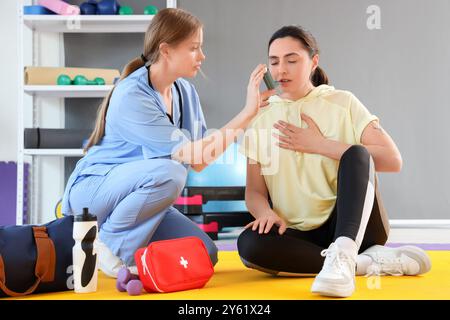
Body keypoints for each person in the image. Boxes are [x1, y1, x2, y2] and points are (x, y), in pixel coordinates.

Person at [61, 8, 272, 278]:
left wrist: (250, 114)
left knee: (204, 254)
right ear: (167, 50)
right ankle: (106, 242)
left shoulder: (185, 92)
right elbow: (186, 155)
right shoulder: (132, 95)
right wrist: (246, 113)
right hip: (93, 194)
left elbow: (199, 161)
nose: (202, 56)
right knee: (171, 172)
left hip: (141, 198)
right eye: (194, 48)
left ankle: (131, 253)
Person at [237, 25, 431, 298]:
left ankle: (346, 249)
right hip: (299, 233)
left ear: (313, 62)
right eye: (274, 62)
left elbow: (392, 160)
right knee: (249, 245)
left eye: (292, 60)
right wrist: (265, 213)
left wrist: (321, 145)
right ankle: (363, 263)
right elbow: (254, 192)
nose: (281, 70)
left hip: (355, 226)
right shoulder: (260, 118)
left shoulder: (343, 102)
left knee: (356, 153)